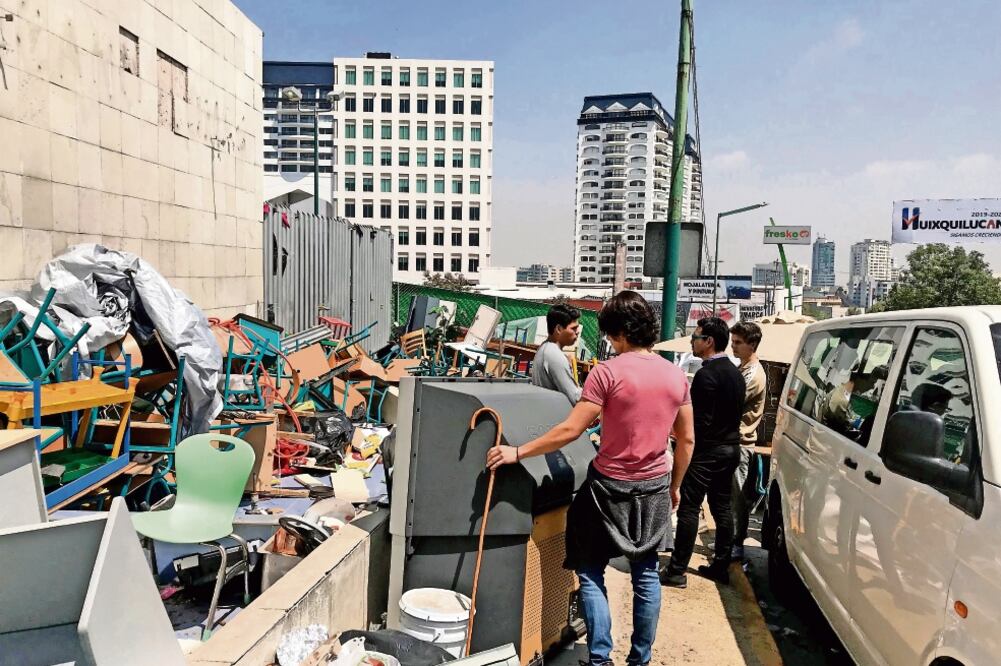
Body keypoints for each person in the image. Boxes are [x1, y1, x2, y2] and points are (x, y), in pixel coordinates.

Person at [487, 291, 694, 666]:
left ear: (618, 333)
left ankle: (600, 658)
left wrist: (516, 452)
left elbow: (570, 430)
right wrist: (675, 485)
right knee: (646, 574)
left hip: (606, 488)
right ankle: (640, 660)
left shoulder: (608, 372)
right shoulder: (676, 375)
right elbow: (687, 439)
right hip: (654, 487)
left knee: (590, 569)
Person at [663, 316, 746, 587]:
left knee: (689, 507)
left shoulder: (705, 375)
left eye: (696, 338)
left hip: (706, 451)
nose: (692, 342)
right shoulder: (736, 373)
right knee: (721, 506)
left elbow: (697, 423)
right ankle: (721, 565)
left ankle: (677, 571)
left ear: (709, 341)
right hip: (730, 448)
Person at [728, 321, 767, 562]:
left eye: (739, 343)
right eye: (732, 342)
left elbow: (731, 400)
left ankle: (737, 542)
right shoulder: (743, 368)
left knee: (737, 496)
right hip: (731, 441)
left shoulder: (753, 373)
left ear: (752, 344)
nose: (734, 347)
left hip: (741, 443)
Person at [531, 304, 583, 406]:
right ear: (559, 329)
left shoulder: (545, 348)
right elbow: (575, 398)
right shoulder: (554, 355)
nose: (577, 332)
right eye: (573, 328)